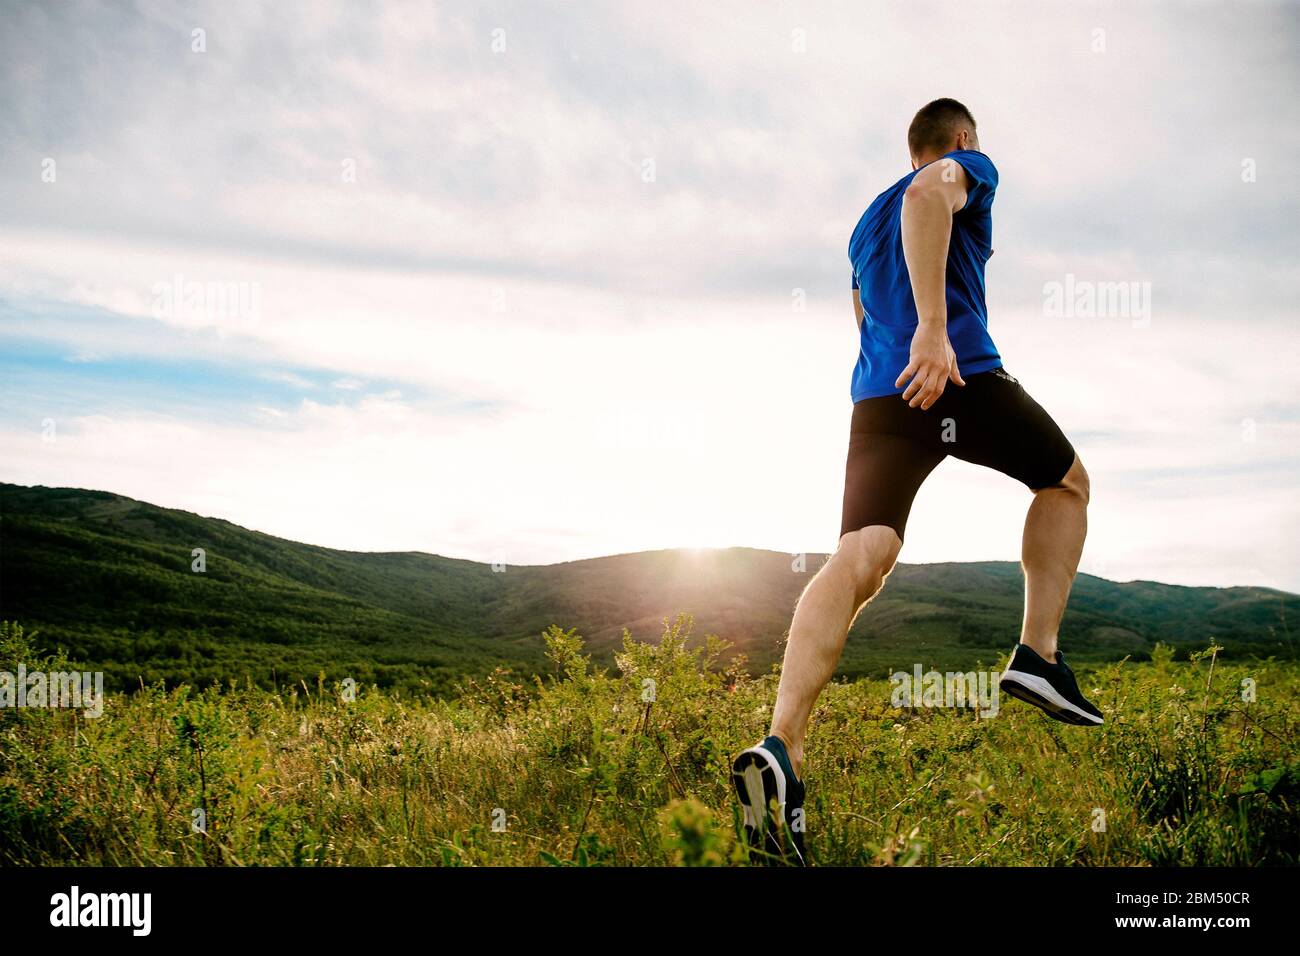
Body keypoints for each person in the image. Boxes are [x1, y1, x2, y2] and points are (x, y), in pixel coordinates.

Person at [732, 98, 1102, 865]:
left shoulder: (861, 226)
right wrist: (934, 330)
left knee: (860, 556)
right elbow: (928, 196)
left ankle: (783, 747)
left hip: (878, 395)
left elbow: (863, 316)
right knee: (1066, 484)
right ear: (961, 139)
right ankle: (1037, 653)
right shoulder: (961, 168)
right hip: (952, 370)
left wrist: (902, 349)